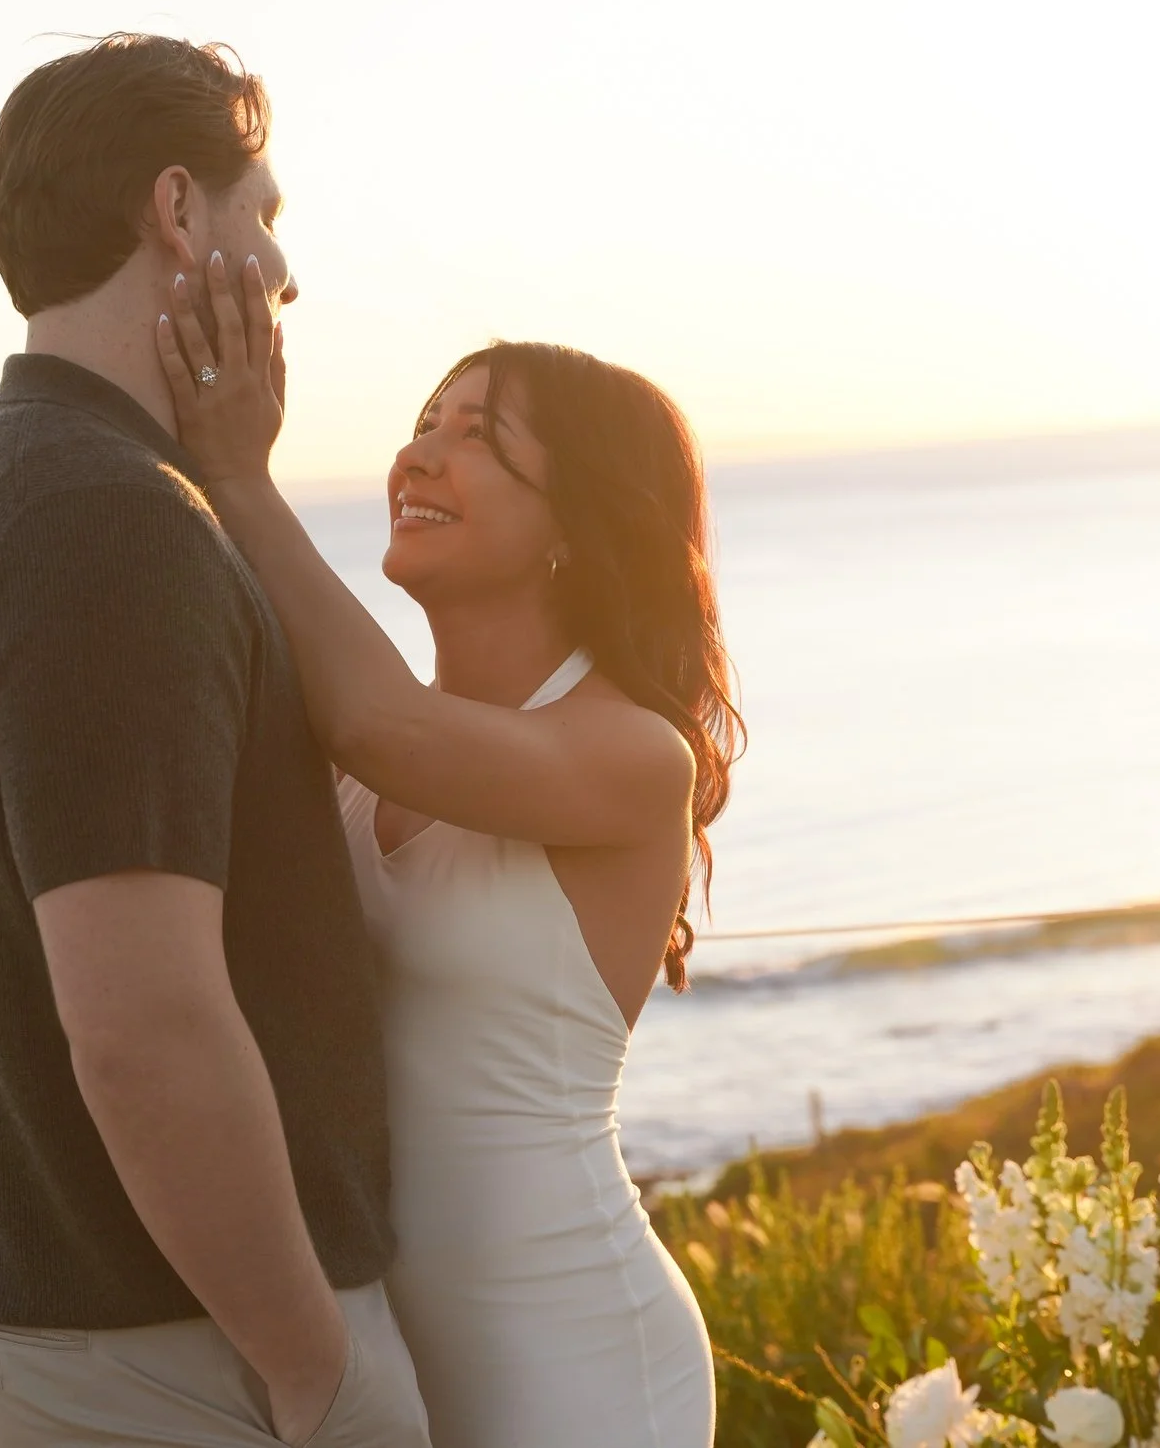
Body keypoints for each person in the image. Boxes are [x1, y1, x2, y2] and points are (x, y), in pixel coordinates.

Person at [0, 34, 432, 1448]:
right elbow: (140, 1021)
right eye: (265, 214)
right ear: (178, 210)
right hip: (183, 1330)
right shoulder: (107, 520)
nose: (287, 269)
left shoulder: (28, 466)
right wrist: (309, 1355)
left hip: (111, 1306)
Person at [156, 262, 744, 1446]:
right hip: (389, 1344)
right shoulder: (359, 756)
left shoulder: (632, 753)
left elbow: (384, 718)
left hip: (578, 1350)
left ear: (577, 520)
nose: (418, 456)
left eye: (475, 436)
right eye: (423, 422)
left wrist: (233, 472)